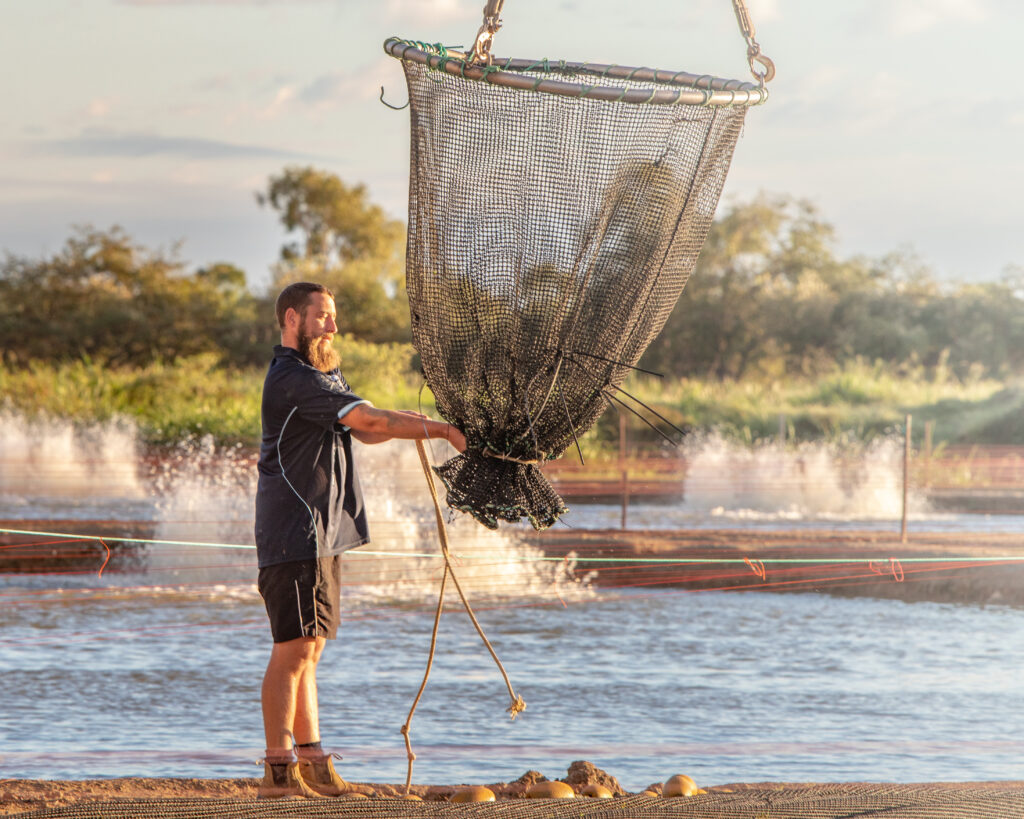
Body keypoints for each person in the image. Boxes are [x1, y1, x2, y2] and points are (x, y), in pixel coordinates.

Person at [254, 281, 466, 798]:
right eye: (322, 316)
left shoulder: (322, 375)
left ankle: (314, 764)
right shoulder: (293, 378)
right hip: (295, 534)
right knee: (292, 651)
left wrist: (433, 426)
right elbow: (369, 419)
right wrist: (445, 432)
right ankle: (279, 774)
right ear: (291, 320)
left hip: (321, 537)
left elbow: (366, 429)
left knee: (312, 650)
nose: (332, 325)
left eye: (333, 315)